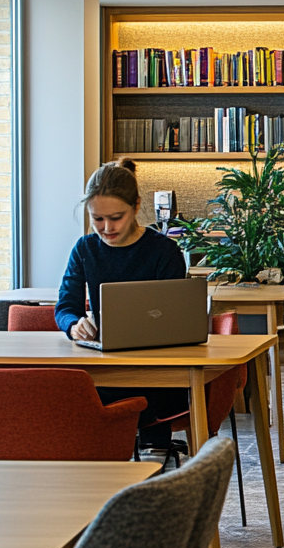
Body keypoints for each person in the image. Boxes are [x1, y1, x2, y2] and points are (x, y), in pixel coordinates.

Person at [55, 158, 188, 450]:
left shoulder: (164, 251)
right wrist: (74, 325)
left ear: (137, 206)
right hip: (104, 368)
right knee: (64, 396)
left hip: (158, 371)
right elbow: (65, 308)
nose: (105, 227)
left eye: (116, 217)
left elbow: (176, 322)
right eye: (97, 218)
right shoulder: (85, 249)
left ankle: (150, 457)